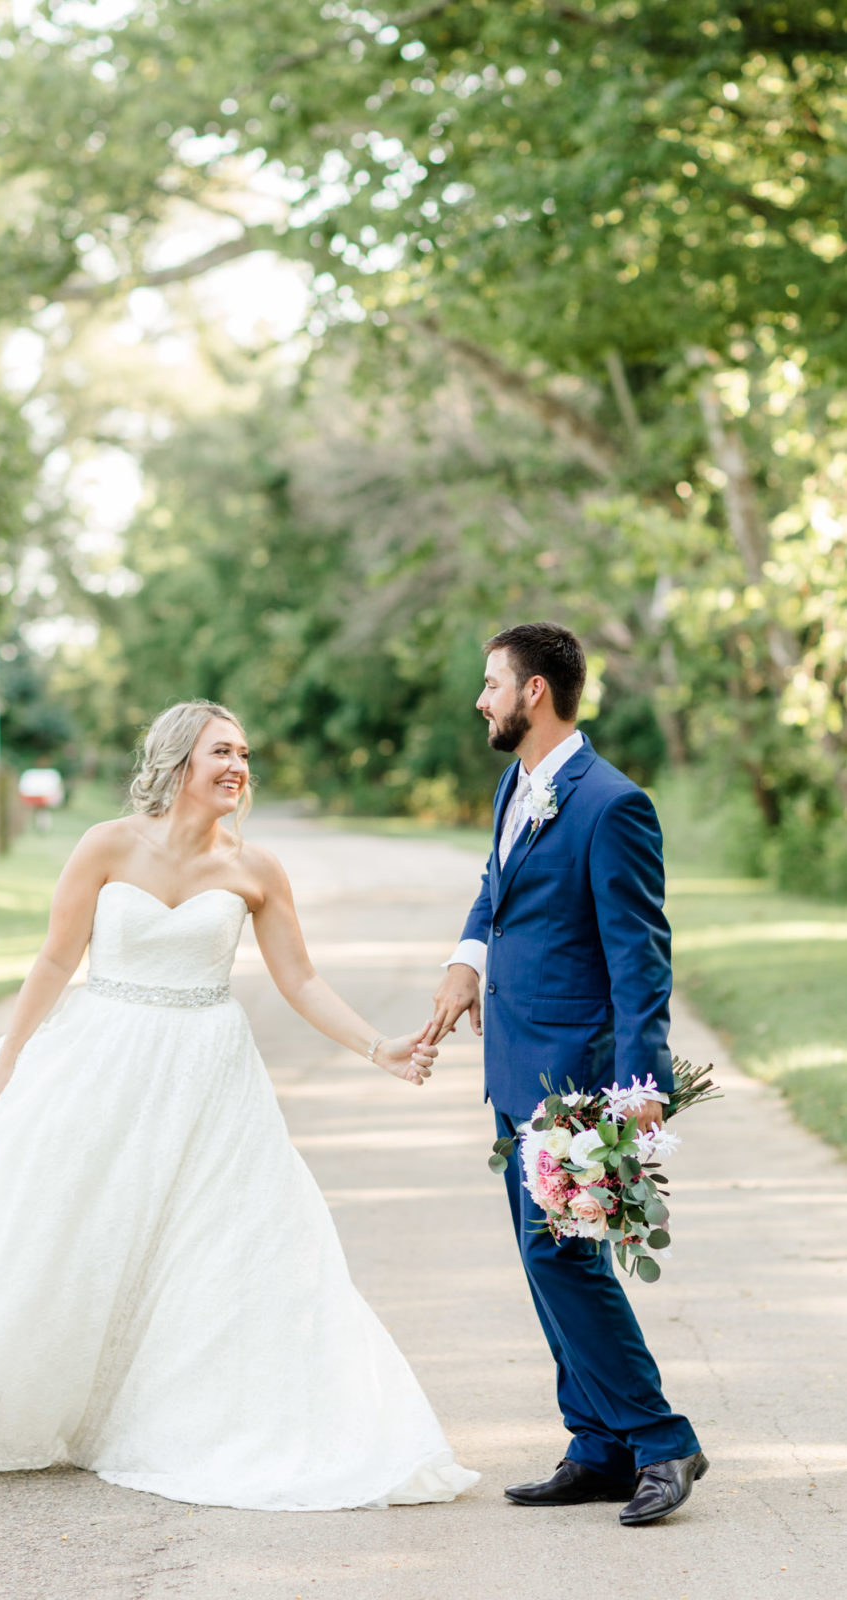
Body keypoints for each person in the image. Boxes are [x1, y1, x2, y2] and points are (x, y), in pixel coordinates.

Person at [0, 700, 478, 1513]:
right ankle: (16, 1396)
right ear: (178, 759)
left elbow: (301, 981)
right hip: (102, 1055)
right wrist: (11, 1053)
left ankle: (198, 1414)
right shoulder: (106, 845)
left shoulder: (255, 871)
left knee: (221, 1243)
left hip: (210, 1074)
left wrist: (379, 1047)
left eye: (245, 753)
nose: (238, 766)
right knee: (62, 1225)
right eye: (222, 750)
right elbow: (54, 957)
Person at [428, 623, 706, 1527]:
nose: (482, 699)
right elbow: (496, 885)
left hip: (577, 1077)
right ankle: (596, 1444)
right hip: (514, 1063)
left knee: (565, 1258)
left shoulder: (611, 804)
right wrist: (468, 959)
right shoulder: (518, 783)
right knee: (548, 1256)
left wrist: (640, 1088)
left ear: (534, 693)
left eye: (492, 684)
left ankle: (661, 1440)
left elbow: (641, 958)